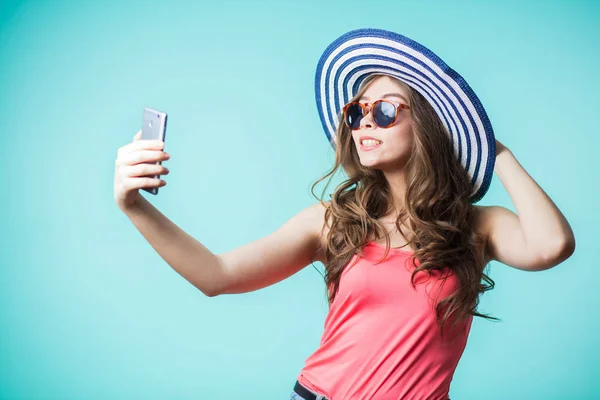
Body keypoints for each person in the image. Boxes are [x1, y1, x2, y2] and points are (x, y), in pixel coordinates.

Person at [113, 29, 576, 400]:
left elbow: (552, 245)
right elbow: (216, 275)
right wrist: (132, 205)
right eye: (357, 111)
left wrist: (493, 148)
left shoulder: (478, 226)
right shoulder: (334, 220)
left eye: (387, 110)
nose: (366, 121)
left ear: (431, 124)